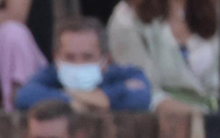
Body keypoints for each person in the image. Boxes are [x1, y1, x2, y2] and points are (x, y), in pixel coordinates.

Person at [13, 16, 150, 113]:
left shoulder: (122, 73)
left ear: (105, 59)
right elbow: (24, 96)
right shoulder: (49, 74)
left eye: (87, 57)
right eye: (70, 57)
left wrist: (69, 96)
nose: (78, 64)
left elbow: (141, 95)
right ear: (55, 57)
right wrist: (96, 101)